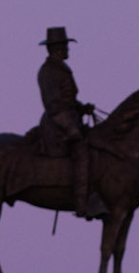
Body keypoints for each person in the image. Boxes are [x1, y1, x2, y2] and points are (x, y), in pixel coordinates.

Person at [38, 27, 99, 219]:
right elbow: (53, 105)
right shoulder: (48, 71)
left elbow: (68, 101)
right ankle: (82, 203)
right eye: (65, 46)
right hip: (56, 125)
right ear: (56, 49)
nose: (67, 49)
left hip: (69, 119)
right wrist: (70, 127)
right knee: (81, 150)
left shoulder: (61, 69)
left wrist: (82, 108)